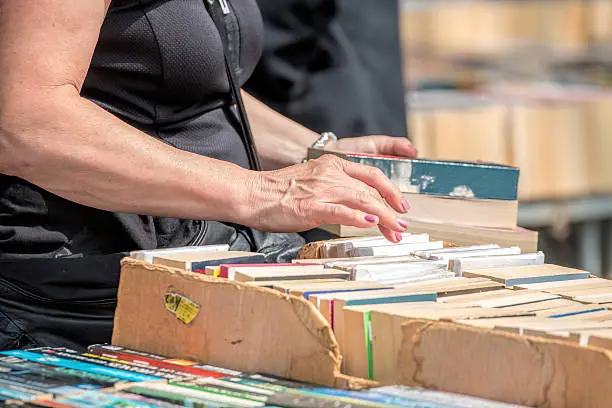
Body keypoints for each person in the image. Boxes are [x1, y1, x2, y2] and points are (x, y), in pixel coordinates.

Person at [0, 0, 417, 350]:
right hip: (79, 296)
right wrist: (262, 192)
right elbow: (23, 124)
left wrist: (315, 152)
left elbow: (190, 91)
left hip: (202, 265)